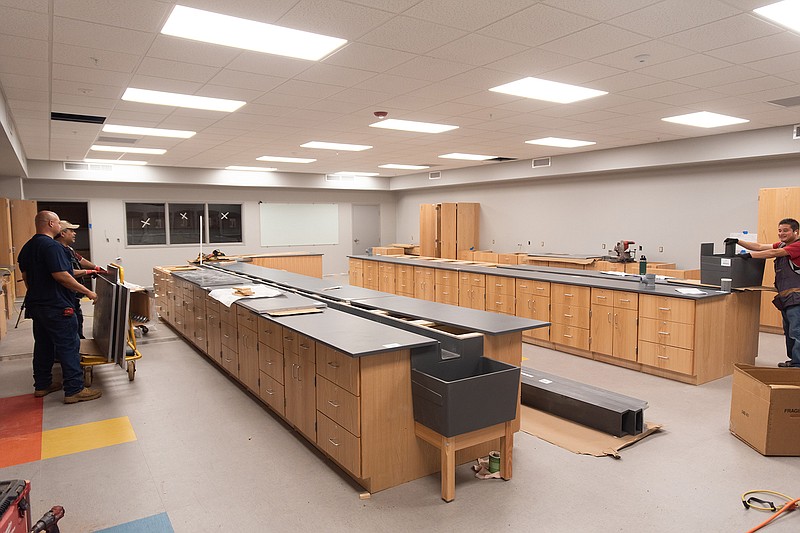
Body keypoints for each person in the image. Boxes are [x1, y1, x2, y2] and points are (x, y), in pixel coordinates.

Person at [17, 210, 102, 403]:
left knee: (44, 345)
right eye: (57, 223)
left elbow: (26, 277)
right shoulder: (52, 247)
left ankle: (42, 385)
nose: (59, 226)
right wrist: (88, 292)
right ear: (50, 224)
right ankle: (74, 389)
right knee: (68, 345)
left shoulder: (27, 247)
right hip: (57, 306)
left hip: (37, 305)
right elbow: (62, 275)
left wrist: (38, 293)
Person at [727, 218, 800, 368]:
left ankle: (798, 364)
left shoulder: (797, 245)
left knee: (796, 331)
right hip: (787, 296)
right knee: (789, 331)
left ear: (796, 231)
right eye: (779, 230)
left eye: (785, 230)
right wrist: (738, 241)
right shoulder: (783, 244)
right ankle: (794, 361)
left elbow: (773, 252)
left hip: (797, 297)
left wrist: (749, 256)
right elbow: (759, 246)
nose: (781, 234)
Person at [54, 220, 104, 339]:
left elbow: (80, 260)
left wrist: (95, 267)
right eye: (71, 231)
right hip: (64, 296)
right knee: (71, 324)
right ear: (63, 233)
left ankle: (79, 345)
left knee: (78, 320)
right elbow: (66, 274)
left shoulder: (69, 249)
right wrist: (88, 272)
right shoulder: (57, 251)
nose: (74, 233)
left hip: (74, 295)